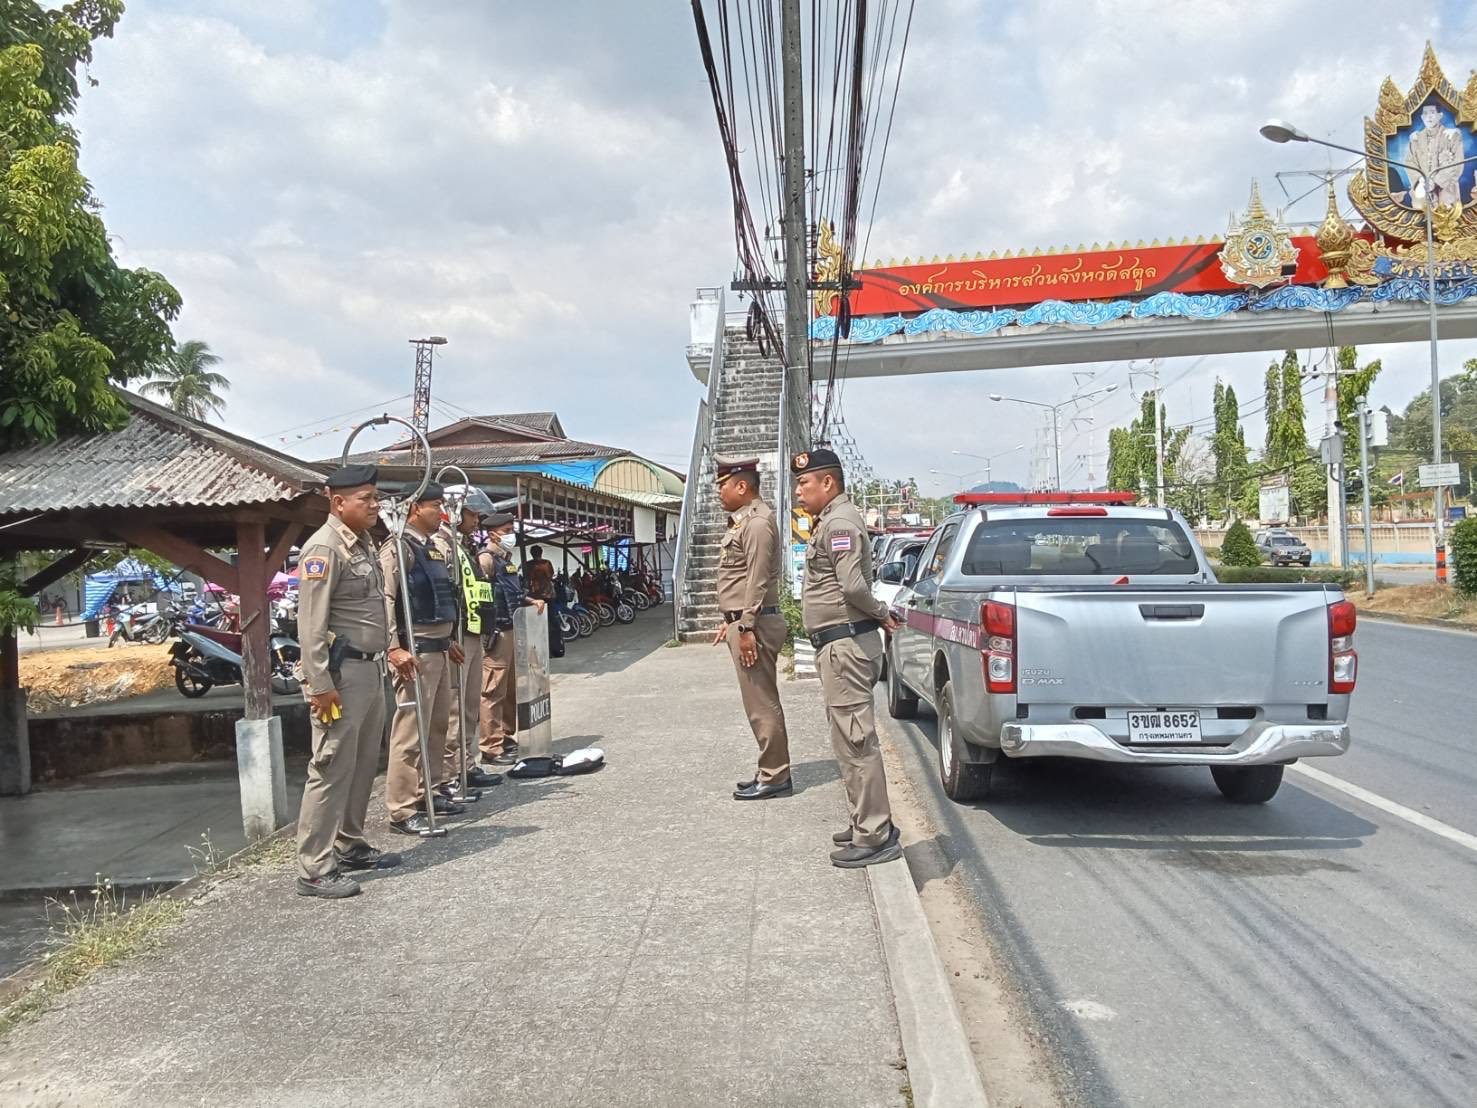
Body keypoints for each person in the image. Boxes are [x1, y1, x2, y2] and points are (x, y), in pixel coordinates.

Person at [293, 464, 402, 899]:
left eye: (376, 498)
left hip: (370, 670)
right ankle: (314, 868)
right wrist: (320, 684)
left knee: (361, 763)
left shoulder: (362, 544)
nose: (375, 506)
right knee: (330, 766)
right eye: (366, 499)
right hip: (341, 676)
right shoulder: (324, 548)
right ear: (338, 503)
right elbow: (311, 626)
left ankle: (350, 843)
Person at [792, 448, 903, 869]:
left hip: (846, 647)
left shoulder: (839, 523)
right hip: (839, 646)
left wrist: (881, 612)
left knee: (857, 743)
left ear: (828, 483)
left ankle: (875, 835)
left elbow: (853, 587)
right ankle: (864, 822)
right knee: (847, 740)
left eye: (804, 483)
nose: (799, 491)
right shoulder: (832, 520)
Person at [381, 481, 465, 835]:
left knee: (437, 726)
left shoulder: (430, 548)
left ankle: (429, 790)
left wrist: (450, 639)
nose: (441, 513)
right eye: (435, 506)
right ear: (415, 508)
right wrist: (393, 646)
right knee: (410, 732)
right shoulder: (398, 547)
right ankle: (402, 808)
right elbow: (386, 598)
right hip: (415, 652)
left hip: (438, 648)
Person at [711, 457, 792, 801]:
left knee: (761, 703)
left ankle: (775, 776)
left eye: (723, 486)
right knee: (757, 702)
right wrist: (730, 620)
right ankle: (769, 769)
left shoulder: (757, 523)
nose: (719, 493)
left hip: (754, 626)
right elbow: (740, 578)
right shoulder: (745, 521)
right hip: (744, 623)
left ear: (742, 486)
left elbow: (757, 580)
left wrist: (745, 626)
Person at [442, 486, 504, 794]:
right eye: (472, 514)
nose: (476, 521)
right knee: (454, 709)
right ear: (454, 513)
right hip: (455, 637)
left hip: (473, 630)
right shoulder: (442, 544)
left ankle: (466, 765)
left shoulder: (463, 545)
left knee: (469, 706)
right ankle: (450, 774)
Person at [478, 512, 545, 767]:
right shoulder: (486, 559)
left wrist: (531, 601)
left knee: (510, 688)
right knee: (493, 689)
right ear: (493, 534)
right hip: (497, 631)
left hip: (513, 627)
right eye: (506, 531)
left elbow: (514, 592)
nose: (511, 535)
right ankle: (490, 746)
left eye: (511, 530)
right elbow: (481, 596)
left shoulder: (506, 560)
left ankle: (505, 735)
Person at [1407, 103, 1465, 208]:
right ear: (1422, 117)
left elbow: (1457, 163)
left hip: (1447, 189)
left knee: (1448, 212)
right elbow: (1409, 162)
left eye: (1432, 112)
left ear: (1440, 115)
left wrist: (1436, 181)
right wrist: (1420, 180)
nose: (1429, 116)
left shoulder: (1452, 136)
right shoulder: (1416, 139)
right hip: (1423, 188)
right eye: (1425, 113)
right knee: (1421, 212)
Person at [524, 544, 563, 658]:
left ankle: (539, 649)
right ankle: (555, 648)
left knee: (536, 624)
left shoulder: (528, 565)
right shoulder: (547, 563)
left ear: (531, 553)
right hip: (549, 594)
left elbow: (526, 578)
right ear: (541, 552)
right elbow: (550, 575)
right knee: (552, 622)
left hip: (535, 596)